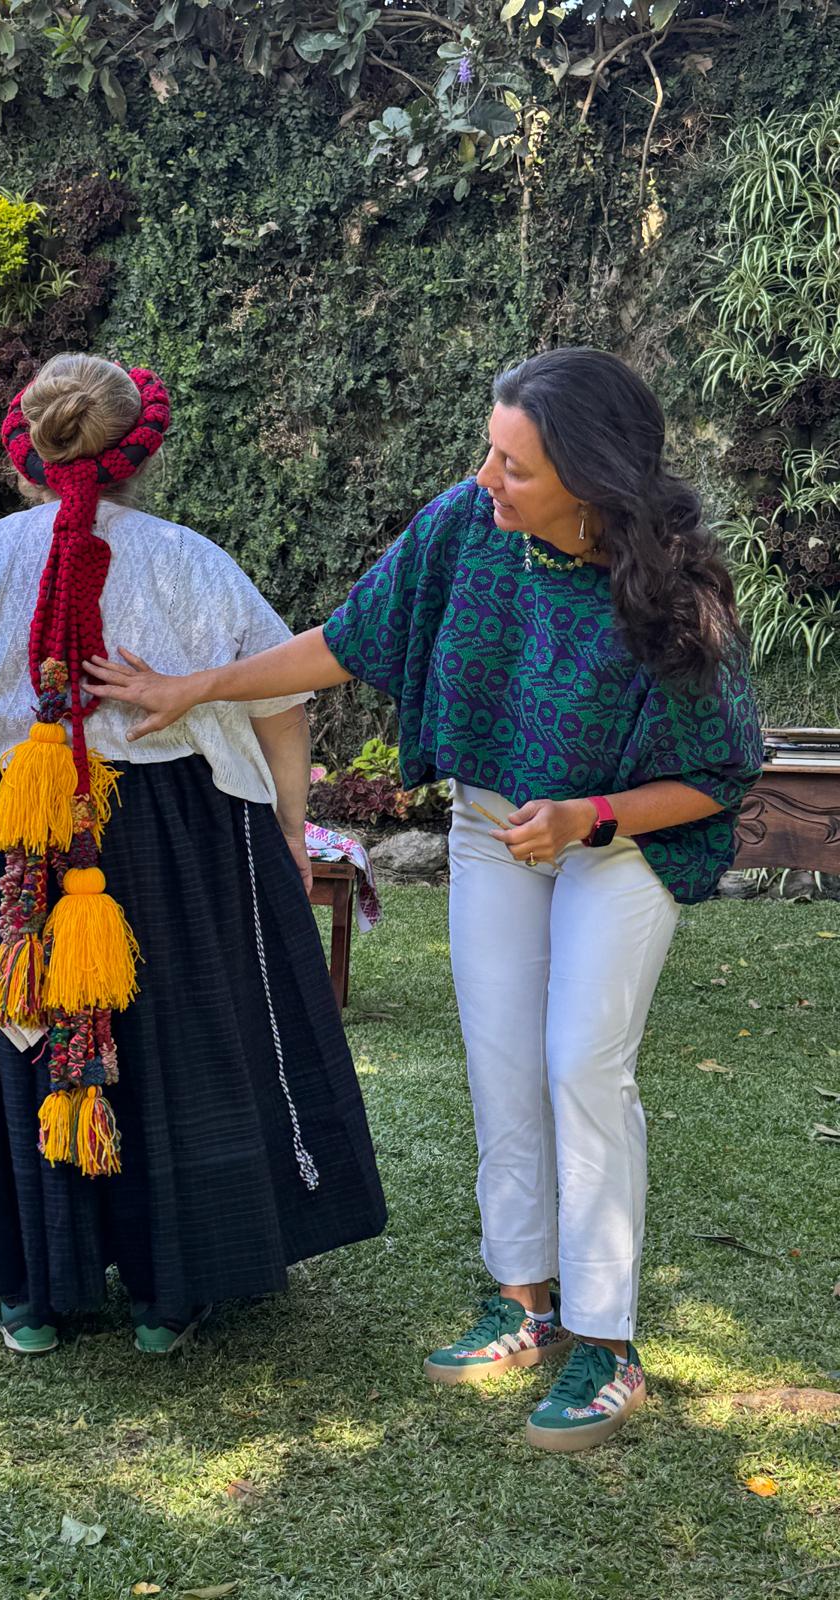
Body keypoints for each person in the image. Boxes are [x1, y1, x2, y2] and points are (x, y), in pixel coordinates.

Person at [84, 347, 764, 1446]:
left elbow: (717, 774)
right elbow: (350, 641)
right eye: (489, 452)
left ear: (590, 480)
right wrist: (196, 685)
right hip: (499, 826)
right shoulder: (464, 526)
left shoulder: (672, 591)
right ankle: (524, 1300)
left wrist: (589, 816)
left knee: (581, 1063)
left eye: (516, 466)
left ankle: (607, 1343)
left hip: (617, 839)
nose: (486, 478)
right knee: (502, 1060)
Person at [0, 353, 386, 1356]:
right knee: (176, 1048)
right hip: (173, 831)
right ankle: (170, 1293)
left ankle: (31, 1293)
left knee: (12, 1041)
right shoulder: (192, 562)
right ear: (139, 456)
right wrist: (292, 837)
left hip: (2, 836)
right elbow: (283, 705)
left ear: (25, 450)